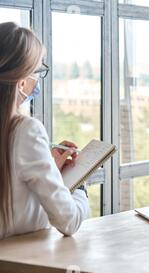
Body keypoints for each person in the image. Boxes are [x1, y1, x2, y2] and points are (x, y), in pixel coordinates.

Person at [0, 22, 90, 240]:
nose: (38, 79)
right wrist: (78, 185)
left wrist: (50, 169)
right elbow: (69, 221)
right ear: (21, 83)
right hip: (21, 269)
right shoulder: (26, 131)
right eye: (38, 70)